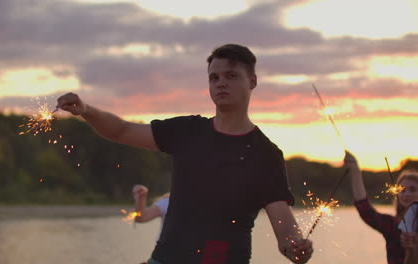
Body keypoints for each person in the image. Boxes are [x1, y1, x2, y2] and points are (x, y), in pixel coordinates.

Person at [57, 43, 313, 264]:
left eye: (231, 76)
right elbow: (121, 131)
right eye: (214, 77)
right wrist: (86, 110)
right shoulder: (187, 130)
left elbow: (285, 229)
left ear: (252, 81)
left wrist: (296, 248)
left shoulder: (265, 154)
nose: (221, 82)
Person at [344, 151, 418, 264]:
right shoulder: (392, 225)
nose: (406, 194)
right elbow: (365, 210)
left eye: (412, 189)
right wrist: (355, 171)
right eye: (402, 190)